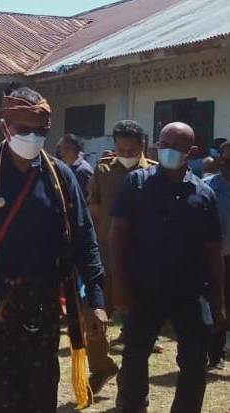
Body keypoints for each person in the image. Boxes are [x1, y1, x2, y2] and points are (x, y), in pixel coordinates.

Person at [0, 86, 107, 412]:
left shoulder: (61, 175)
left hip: (43, 302)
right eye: (24, 129)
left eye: (40, 131)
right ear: (5, 126)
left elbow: (85, 238)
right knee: (0, 397)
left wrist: (96, 299)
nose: (32, 137)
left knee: (41, 394)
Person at [112, 122, 226, 413]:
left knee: (194, 360)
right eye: (164, 144)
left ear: (191, 151)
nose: (168, 150)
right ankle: (132, 406)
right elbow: (119, 235)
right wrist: (119, 284)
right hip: (144, 287)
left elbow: (212, 252)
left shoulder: (204, 194)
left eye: (176, 146)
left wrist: (218, 302)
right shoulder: (136, 184)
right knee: (135, 354)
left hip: (190, 291)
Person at [86, 120, 159, 393]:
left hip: (140, 260)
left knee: (138, 328)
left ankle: (129, 386)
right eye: (121, 149)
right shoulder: (103, 170)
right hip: (106, 258)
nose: (126, 154)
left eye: (132, 150)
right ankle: (102, 367)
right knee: (93, 318)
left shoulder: (155, 173)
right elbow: (94, 208)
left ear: (142, 145)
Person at [204, 141, 230, 370]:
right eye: (227, 159)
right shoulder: (208, 187)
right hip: (215, 259)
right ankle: (215, 354)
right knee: (216, 305)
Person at [57, 134, 94, 199]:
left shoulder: (83, 170)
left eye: (66, 149)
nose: (62, 153)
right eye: (61, 149)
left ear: (76, 149)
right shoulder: (66, 168)